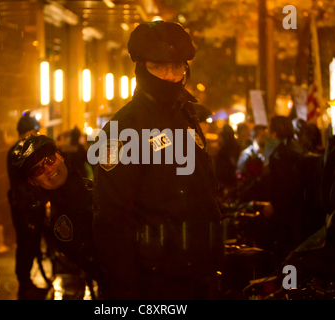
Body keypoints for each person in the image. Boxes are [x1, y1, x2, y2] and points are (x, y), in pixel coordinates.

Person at [91, 21, 224, 300]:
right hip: (154, 283)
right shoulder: (121, 131)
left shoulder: (186, 115)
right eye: (159, 67)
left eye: (178, 67)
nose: (170, 76)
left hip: (199, 277)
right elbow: (112, 222)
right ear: (140, 68)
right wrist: (125, 292)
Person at [10, 134, 105, 298]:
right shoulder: (60, 223)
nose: (48, 169)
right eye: (38, 169)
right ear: (33, 182)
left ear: (59, 156)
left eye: (49, 160)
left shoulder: (94, 188)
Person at [6, 112, 48, 300]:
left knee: (30, 245)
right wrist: (29, 211)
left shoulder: (22, 149)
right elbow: (22, 185)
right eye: (34, 131)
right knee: (26, 245)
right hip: (24, 207)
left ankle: (26, 282)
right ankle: (24, 283)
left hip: (28, 205)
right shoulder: (19, 151)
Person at [262, 115, 305, 261]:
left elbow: (285, 185)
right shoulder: (295, 148)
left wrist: (274, 204)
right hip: (296, 214)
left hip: (285, 216)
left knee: (283, 255)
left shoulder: (282, 154)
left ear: (274, 133)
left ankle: (286, 283)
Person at [236, 125, 268, 201]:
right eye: (262, 136)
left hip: (264, 196)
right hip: (251, 197)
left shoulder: (267, 153)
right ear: (255, 137)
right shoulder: (247, 155)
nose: (265, 139)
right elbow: (240, 176)